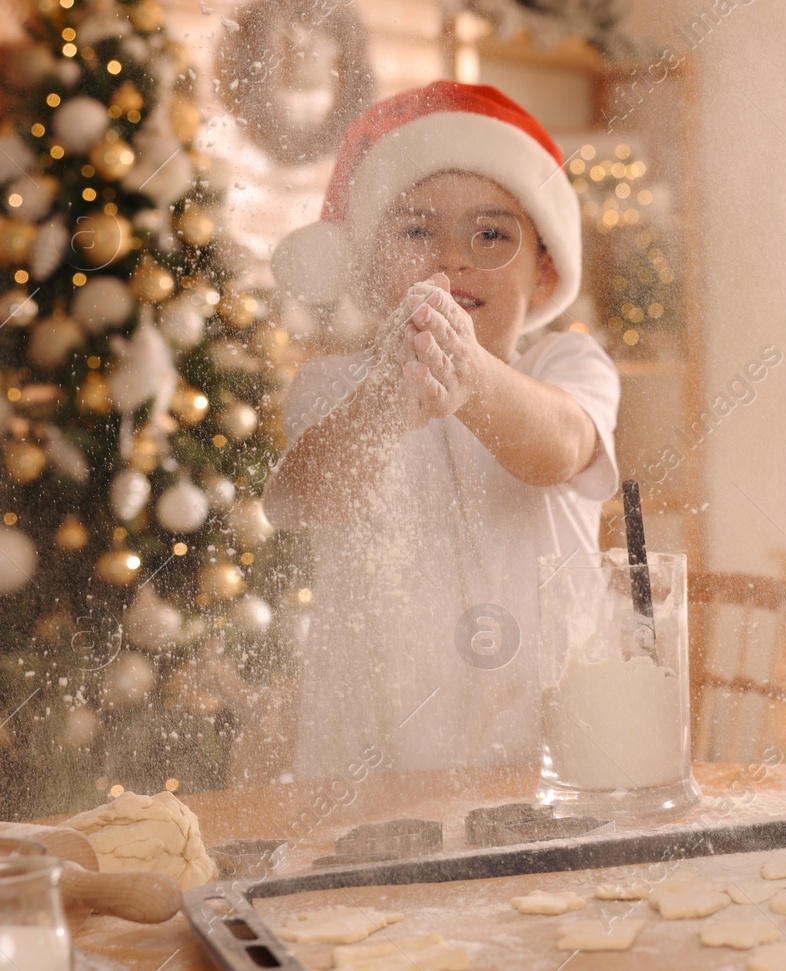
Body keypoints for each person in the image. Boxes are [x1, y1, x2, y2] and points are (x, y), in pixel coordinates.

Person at [262, 82, 619, 780]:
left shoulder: (568, 365)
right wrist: (391, 402)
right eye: (417, 231)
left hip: (555, 761)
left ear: (543, 273)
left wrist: (471, 376)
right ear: (368, 271)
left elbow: (560, 449)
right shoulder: (334, 387)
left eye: (490, 233)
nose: (451, 258)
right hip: (371, 769)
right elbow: (316, 489)